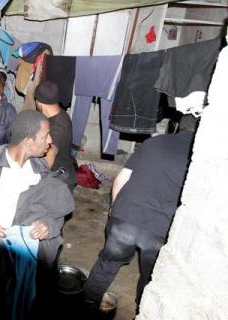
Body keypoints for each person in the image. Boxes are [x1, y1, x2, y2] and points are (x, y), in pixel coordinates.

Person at [0, 110, 75, 319]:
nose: (51, 140)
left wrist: (48, 225)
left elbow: (55, 210)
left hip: (25, 258)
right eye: (45, 135)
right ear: (27, 141)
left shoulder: (40, 172)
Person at [83, 114, 199, 313]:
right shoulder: (198, 159)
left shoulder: (154, 142)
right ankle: (141, 311)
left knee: (106, 265)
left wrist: (114, 209)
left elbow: (122, 178)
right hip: (159, 230)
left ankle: (85, 308)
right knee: (150, 278)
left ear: (178, 126)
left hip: (125, 218)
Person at [35, 80, 76, 191]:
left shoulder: (55, 127)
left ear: (39, 102)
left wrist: (37, 181)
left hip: (58, 181)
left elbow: (51, 152)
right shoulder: (62, 114)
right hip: (64, 173)